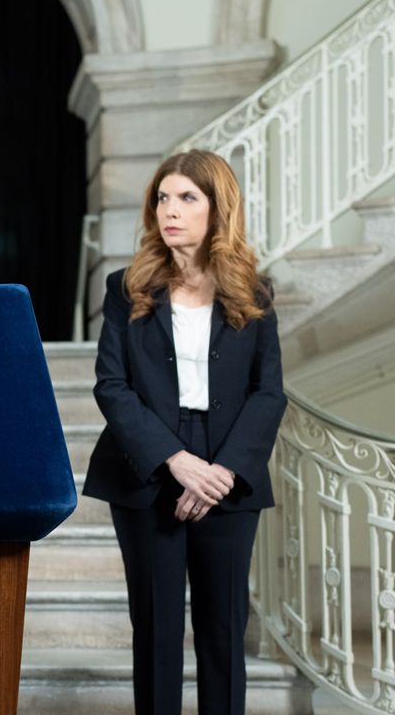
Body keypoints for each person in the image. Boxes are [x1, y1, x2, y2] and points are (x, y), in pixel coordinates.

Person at [82, 149, 286, 715]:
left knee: (223, 630)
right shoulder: (126, 287)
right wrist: (175, 460)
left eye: (187, 198)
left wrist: (223, 471)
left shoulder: (255, 292)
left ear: (218, 208)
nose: (169, 210)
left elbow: (269, 392)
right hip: (148, 468)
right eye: (162, 198)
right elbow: (112, 386)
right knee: (156, 629)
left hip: (228, 471)